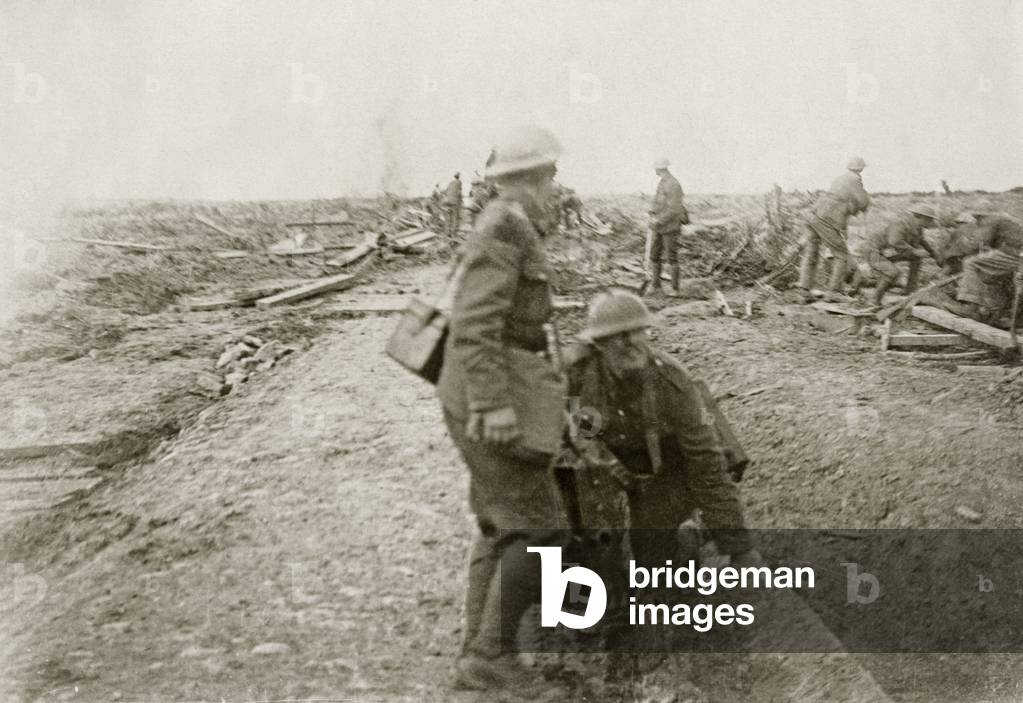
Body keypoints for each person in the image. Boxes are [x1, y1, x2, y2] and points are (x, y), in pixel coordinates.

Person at [436, 125, 568, 691]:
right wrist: (493, 405)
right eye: (548, 177)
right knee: (541, 531)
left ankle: (479, 653)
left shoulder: (508, 225)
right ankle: (493, 654)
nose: (555, 188)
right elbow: (474, 324)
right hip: (486, 394)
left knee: (500, 524)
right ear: (529, 179)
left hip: (486, 388)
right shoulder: (503, 229)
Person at [564, 289, 756, 566]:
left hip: (667, 468)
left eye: (638, 332)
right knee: (595, 553)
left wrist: (739, 546)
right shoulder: (578, 375)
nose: (632, 343)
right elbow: (575, 434)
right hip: (608, 461)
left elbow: (706, 463)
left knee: (655, 566)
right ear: (600, 343)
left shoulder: (671, 381)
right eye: (620, 336)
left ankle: (694, 534)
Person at [798, 157, 870, 302]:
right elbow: (863, 201)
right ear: (861, 168)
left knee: (811, 253)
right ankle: (834, 292)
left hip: (814, 214)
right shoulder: (855, 179)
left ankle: (803, 292)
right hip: (828, 219)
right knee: (841, 255)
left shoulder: (840, 179)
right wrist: (860, 206)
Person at [956, 207, 1023, 323]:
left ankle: (972, 305)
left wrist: (965, 244)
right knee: (994, 275)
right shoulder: (1004, 218)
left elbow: (976, 244)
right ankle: (999, 311)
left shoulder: (989, 220)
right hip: (1017, 253)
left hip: (1015, 253)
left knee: (970, 262)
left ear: (979, 216)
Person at [862, 204, 938, 307]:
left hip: (887, 252)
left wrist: (934, 254)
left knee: (916, 258)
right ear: (920, 217)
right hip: (872, 251)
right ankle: (874, 300)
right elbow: (894, 241)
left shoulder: (918, 228)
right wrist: (914, 250)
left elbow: (922, 241)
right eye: (929, 220)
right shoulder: (900, 224)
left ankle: (910, 290)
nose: (930, 223)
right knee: (892, 272)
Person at [648, 159, 688, 297]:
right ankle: (655, 286)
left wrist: (658, 220)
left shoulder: (673, 184)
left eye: (656, 168)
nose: (654, 170)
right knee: (654, 255)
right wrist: (652, 213)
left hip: (670, 226)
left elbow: (674, 209)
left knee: (672, 257)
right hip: (659, 226)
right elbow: (659, 203)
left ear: (660, 169)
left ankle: (675, 289)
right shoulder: (662, 182)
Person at [442, 173, 463, 240]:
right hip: (454, 203)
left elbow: (445, 192)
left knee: (447, 219)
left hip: (446, 202)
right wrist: (461, 200)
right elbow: (459, 192)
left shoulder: (450, 183)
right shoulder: (459, 182)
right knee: (454, 218)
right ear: (459, 177)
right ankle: (452, 234)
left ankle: (446, 234)